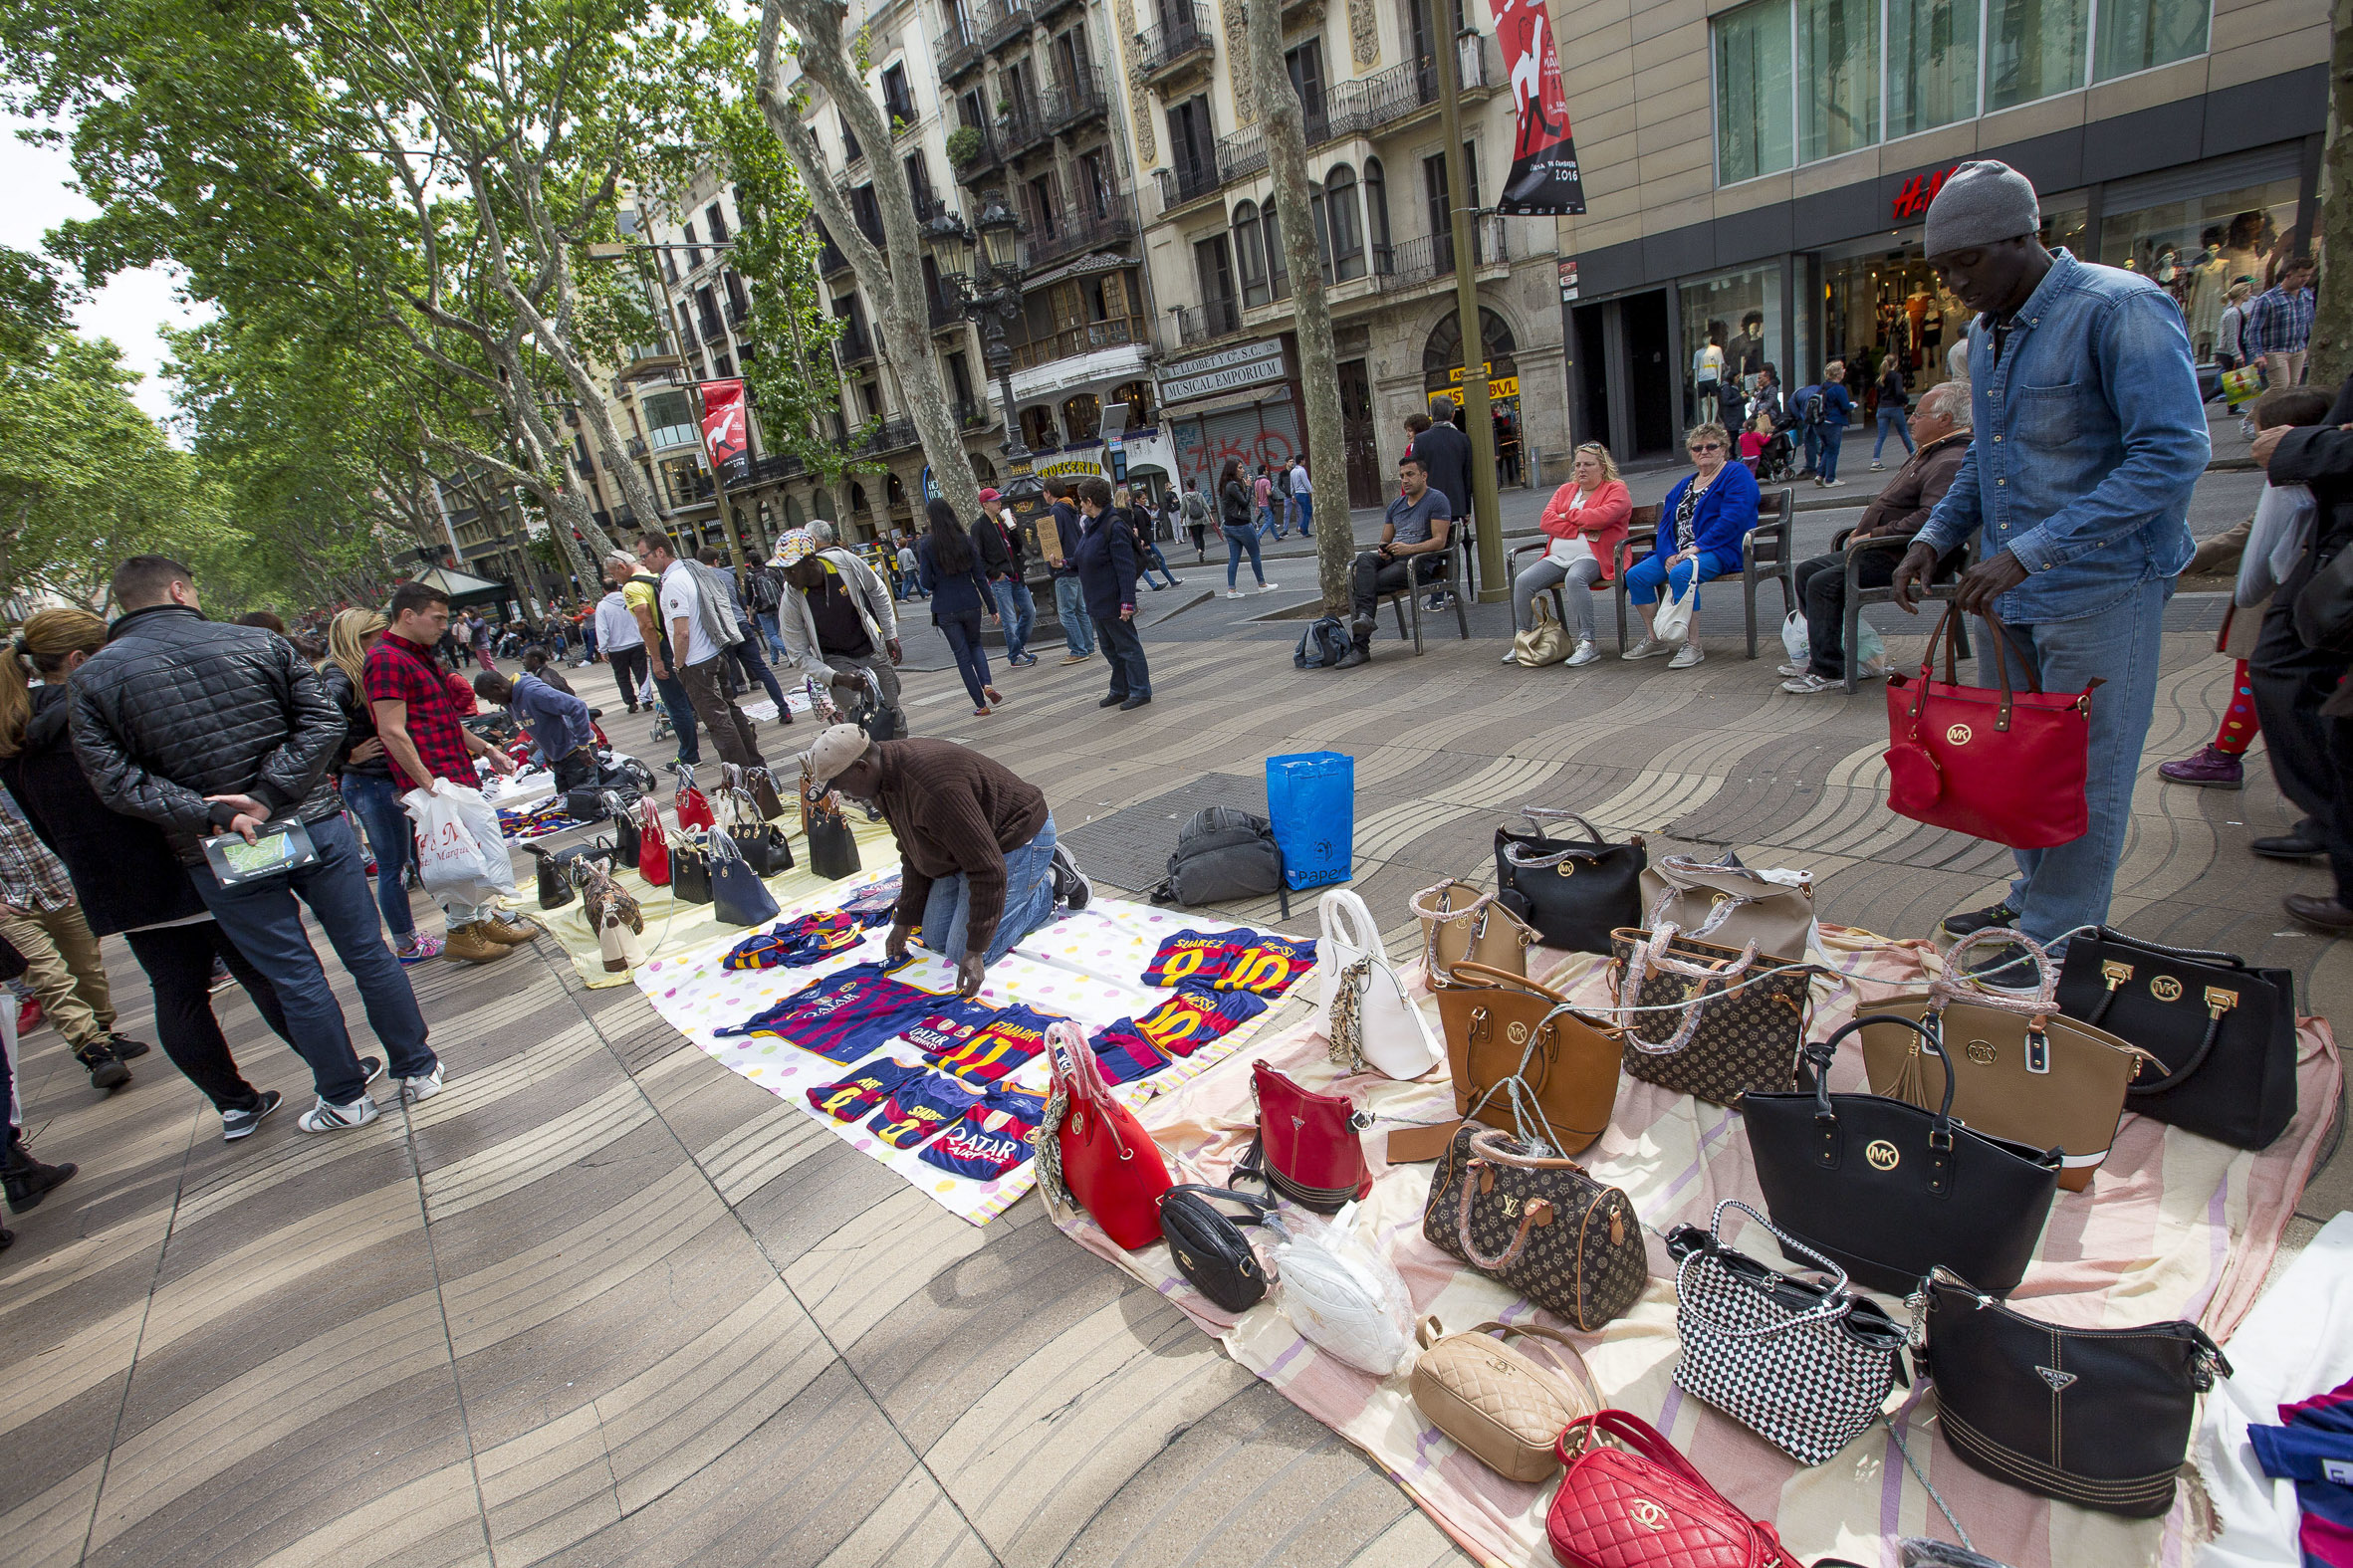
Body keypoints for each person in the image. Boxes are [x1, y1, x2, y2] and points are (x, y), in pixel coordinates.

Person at [1889, 159, 2209, 965]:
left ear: (2021, 237)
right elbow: (1984, 456)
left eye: (1966, 263)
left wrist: (2031, 552)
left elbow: (2170, 455)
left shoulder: (2119, 307)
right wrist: (1934, 536)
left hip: (2099, 588)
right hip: (2009, 596)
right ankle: (2033, 900)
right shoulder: (1984, 335)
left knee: (2084, 778)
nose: (1953, 285)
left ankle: (2054, 942)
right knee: (2020, 765)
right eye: (1940, 269)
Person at [73, 556, 446, 1132]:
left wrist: (217, 812)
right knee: (366, 952)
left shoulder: (95, 678)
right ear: (180, 589)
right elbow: (323, 722)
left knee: (295, 974)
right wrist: (267, 796)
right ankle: (416, 1068)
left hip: (226, 841)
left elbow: (116, 781)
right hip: (306, 820)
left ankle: (346, 1097)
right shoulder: (257, 643)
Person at [0, 607, 296, 1137]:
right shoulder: (100, 711)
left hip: (115, 885)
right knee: (261, 969)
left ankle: (234, 1104)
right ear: (80, 660)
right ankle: (336, 1072)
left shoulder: (15, 736)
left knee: (177, 992)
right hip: (183, 860)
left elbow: (43, 826)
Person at [806, 725, 1089, 996]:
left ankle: (1050, 883)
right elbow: (911, 851)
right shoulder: (881, 780)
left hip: (1014, 839)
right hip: (969, 848)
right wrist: (905, 918)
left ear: (861, 767)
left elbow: (988, 869)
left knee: (964, 950)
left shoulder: (934, 788)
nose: (845, 797)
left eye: (841, 786)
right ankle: (1027, 883)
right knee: (934, 937)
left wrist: (976, 951)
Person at [2158, 389, 2332, 788]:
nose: (2252, 442)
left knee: (2251, 683)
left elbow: (2248, 541)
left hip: (2275, 603)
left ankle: (2224, 757)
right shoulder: (2327, 479)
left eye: (2257, 432)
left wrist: (2179, 564)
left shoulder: (2290, 486)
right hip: (2314, 606)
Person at [365, 581, 537, 966]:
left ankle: (481, 920)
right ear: (408, 616)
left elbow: (442, 719)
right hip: (433, 778)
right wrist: (426, 782)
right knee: (456, 855)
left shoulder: (416, 654)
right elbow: (390, 729)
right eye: (438, 618)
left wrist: (487, 749)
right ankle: (462, 930)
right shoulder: (386, 658)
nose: (445, 626)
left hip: (449, 770)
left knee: (475, 848)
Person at [2245, 374, 2353, 926]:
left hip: (2338, 554)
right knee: (2287, 678)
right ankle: (2332, 821)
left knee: (2291, 678)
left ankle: (2336, 826)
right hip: (2331, 547)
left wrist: (2303, 446)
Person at [1782, 380, 1973, 693]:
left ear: (1945, 420)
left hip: (1907, 556)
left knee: (1823, 583)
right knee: (1806, 571)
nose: (1910, 419)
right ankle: (1828, 655)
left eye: (1919, 414)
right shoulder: (1933, 452)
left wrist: (1877, 533)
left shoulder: (1950, 459)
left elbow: (1934, 517)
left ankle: (1828, 671)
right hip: (1885, 549)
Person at [0, 786, 147, 1090]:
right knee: (50, 980)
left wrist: (78, 871)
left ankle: (104, 1034)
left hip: (62, 888)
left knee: (88, 971)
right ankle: (94, 1050)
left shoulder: (19, 772)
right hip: (11, 909)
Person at [321, 609, 440, 964]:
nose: (384, 639)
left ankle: (457, 922)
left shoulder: (359, 670)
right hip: (370, 782)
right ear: (359, 638)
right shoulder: (340, 675)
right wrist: (346, 756)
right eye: (377, 634)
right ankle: (407, 943)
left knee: (414, 858)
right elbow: (317, 726)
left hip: (381, 779)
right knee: (395, 865)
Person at [1623, 422, 1760, 670]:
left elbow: (1734, 518)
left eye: (1711, 446)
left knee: (1682, 573)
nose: (1704, 451)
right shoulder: (1684, 484)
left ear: (1724, 449)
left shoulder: (1736, 474)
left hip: (1718, 550)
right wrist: (1667, 555)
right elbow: (1665, 525)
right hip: (1680, 551)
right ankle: (1656, 638)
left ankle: (1693, 645)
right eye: (1697, 448)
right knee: (1636, 576)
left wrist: (1699, 547)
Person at [638, 533, 764, 770]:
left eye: (644, 556)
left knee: (718, 721)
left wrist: (678, 663)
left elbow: (682, 631)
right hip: (713, 653)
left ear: (660, 552)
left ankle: (742, 775)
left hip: (697, 661)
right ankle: (754, 767)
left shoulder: (673, 582)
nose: (643, 562)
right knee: (729, 711)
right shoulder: (689, 571)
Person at [774, 527, 907, 737]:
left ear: (811, 563)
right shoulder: (791, 598)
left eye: (791, 570)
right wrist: (835, 677)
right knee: (856, 717)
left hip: (871, 647)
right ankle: (866, 751)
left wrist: (890, 635)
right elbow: (797, 654)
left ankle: (900, 749)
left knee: (891, 709)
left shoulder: (844, 563)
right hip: (835, 657)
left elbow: (877, 590)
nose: (787, 578)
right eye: (783, 571)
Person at [1508, 442, 1630, 669]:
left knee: (1575, 578)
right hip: (1557, 556)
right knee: (1523, 581)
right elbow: (1546, 521)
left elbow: (1603, 518)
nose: (1581, 469)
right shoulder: (1566, 490)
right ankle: (1522, 640)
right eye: (1578, 465)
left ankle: (1588, 642)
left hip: (1594, 556)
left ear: (1602, 467)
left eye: (1588, 464)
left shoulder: (1616, 489)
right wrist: (1580, 525)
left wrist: (1567, 515)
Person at [1336, 454, 1453, 669]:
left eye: (1410, 474)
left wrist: (1410, 549)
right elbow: (1385, 540)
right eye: (1401, 476)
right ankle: (1365, 620)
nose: (1405, 480)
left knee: (1364, 585)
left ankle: (1360, 647)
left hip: (1421, 564)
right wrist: (1384, 550)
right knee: (1364, 559)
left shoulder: (1437, 500)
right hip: (1395, 560)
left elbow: (1439, 541)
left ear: (1424, 476)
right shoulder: (1396, 505)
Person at [607, 551, 697, 767]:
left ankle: (689, 755)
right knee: (695, 695)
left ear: (622, 567)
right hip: (681, 638)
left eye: (613, 574)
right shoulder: (656, 575)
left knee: (675, 703)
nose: (614, 579)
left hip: (662, 646)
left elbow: (647, 625)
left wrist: (656, 659)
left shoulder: (631, 587)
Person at [917, 498, 1005, 718]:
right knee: (976, 645)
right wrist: (992, 607)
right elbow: (980, 577)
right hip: (971, 602)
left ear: (931, 519)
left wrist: (938, 579)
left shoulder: (927, 545)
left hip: (945, 607)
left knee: (962, 655)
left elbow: (925, 582)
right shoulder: (965, 541)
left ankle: (981, 704)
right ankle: (987, 684)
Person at [1073, 476, 1151, 710]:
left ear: (1090, 501)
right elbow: (1083, 557)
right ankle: (1120, 688)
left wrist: (1127, 602)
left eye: (1081, 500)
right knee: (1110, 649)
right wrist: (1064, 563)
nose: (1080, 504)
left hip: (1112, 600)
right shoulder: (1092, 526)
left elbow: (1125, 568)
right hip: (1097, 601)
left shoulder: (1113, 526)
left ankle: (1140, 690)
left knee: (1127, 647)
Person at [696, 547, 791, 720]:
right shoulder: (727, 576)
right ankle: (784, 709)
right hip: (740, 624)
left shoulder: (697, 580)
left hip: (722, 630)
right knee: (761, 668)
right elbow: (739, 600)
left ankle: (736, 719)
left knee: (726, 676)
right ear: (716, 561)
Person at [475, 668, 597, 790]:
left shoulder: (533, 692)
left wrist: (583, 745)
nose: (491, 703)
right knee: (565, 796)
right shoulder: (510, 700)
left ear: (498, 688)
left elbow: (577, 706)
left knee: (585, 796)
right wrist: (547, 753)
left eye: (490, 698)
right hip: (559, 756)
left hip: (576, 751)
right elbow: (537, 726)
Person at [970, 488, 1038, 667]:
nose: (999, 503)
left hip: (1015, 574)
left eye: (999, 500)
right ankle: (1015, 656)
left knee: (1030, 611)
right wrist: (994, 573)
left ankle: (1018, 647)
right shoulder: (978, 527)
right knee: (1009, 619)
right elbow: (977, 556)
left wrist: (1013, 529)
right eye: (994, 501)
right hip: (1001, 578)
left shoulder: (1002, 521)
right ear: (985, 505)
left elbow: (1017, 548)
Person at [1043, 478, 1096, 665]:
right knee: (1081, 610)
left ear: (1048, 493)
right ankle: (1088, 646)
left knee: (1066, 612)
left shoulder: (1056, 511)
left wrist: (1053, 562)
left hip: (1063, 567)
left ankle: (1078, 650)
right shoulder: (1070, 508)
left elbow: (1054, 539)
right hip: (1076, 565)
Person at [2242, 255, 2315, 391]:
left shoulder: (2306, 295)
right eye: (2301, 276)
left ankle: (2285, 407)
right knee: (2280, 386)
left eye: (2308, 275)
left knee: (2292, 388)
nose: (2305, 279)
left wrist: (2310, 346)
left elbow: (2310, 322)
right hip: (2275, 350)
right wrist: (2258, 354)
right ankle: (2261, 407)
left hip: (2298, 349)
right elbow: (2253, 329)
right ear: (2289, 275)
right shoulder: (2267, 299)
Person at [1414, 398, 1475, 543]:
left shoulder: (1421, 440)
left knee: (1431, 545)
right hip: (1455, 504)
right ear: (1452, 414)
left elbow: (1414, 473)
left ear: (1431, 415)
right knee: (1451, 545)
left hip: (1428, 503)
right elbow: (1467, 476)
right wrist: (1466, 509)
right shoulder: (1462, 439)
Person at [1216, 459, 1276, 598]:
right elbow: (1244, 502)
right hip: (1241, 525)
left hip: (1229, 526)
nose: (1243, 470)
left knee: (1234, 558)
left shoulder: (1225, 485)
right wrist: (1248, 487)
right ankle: (1262, 584)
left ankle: (1231, 589)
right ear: (1233, 470)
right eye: (1240, 468)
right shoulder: (1233, 485)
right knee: (1255, 554)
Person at [593, 580, 647, 714]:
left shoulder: (602, 606)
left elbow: (602, 628)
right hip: (636, 642)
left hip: (616, 647)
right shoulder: (629, 599)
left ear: (603, 590)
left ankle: (630, 701)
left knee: (622, 676)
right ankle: (646, 698)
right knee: (642, 672)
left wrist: (603, 649)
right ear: (617, 587)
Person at [1813, 360, 1853, 486]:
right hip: (1833, 422)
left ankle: (1820, 475)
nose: (1844, 371)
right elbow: (1845, 406)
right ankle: (1830, 479)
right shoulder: (1839, 389)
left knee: (1827, 448)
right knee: (1833, 450)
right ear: (1837, 374)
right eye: (1842, 369)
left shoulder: (1822, 387)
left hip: (1819, 422)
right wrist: (1852, 406)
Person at [1870, 359, 1914, 469]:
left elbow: (1878, 396)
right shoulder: (1896, 376)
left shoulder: (1880, 378)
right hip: (1895, 407)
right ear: (1895, 363)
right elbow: (1899, 392)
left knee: (1881, 436)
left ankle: (1875, 461)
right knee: (1903, 432)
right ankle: (1913, 455)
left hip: (1882, 408)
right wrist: (1905, 401)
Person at [2215, 278, 2255, 375]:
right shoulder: (2233, 313)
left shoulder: (2235, 311)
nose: (2250, 294)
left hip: (2233, 351)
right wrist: (2237, 354)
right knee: (2230, 378)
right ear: (2242, 294)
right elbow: (2231, 335)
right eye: (2248, 292)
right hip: (2229, 353)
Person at [1181, 480, 1211, 561]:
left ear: (1187, 486)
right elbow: (1205, 506)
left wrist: (1181, 518)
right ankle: (1203, 553)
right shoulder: (1199, 495)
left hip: (1192, 520)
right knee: (1201, 536)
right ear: (1195, 485)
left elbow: (1183, 509)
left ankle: (1199, 550)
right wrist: (1210, 516)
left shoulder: (1185, 496)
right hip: (1201, 518)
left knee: (1195, 537)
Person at [1290, 456, 1314, 537]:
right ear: (1301, 461)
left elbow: (1292, 484)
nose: (1305, 461)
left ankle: (1304, 531)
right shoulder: (1302, 470)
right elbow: (1306, 482)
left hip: (1297, 493)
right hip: (1303, 493)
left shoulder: (1292, 471)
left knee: (1304, 511)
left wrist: (1293, 495)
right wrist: (1312, 491)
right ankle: (1302, 528)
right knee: (1308, 511)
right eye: (1304, 460)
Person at [1253, 465, 1279, 540]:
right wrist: (1272, 491)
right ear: (1263, 471)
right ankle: (1258, 536)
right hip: (1267, 504)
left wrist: (1257, 506)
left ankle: (1276, 536)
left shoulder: (1256, 482)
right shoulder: (1266, 481)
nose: (1267, 471)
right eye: (1266, 470)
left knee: (1271, 520)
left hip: (1261, 504)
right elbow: (1268, 493)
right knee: (1268, 521)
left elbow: (1256, 495)